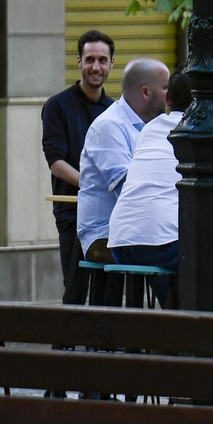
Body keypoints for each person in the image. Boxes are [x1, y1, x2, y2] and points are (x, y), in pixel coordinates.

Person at [105, 72, 193, 305]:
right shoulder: (200, 130)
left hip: (120, 242)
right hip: (161, 244)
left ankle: (173, 327)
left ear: (167, 100)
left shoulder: (150, 128)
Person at [76, 58, 170, 273]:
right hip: (105, 237)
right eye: (166, 89)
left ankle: (178, 306)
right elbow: (129, 193)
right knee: (182, 253)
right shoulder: (109, 126)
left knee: (191, 247)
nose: (170, 97)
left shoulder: (156, 126)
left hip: (142, 231)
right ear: (146, 92)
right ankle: (178, 307)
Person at [42, 31, 115, 304]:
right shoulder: (57, 106)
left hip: (108, 217)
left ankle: (102, 346)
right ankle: (68, 345)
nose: (96, 67)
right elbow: (56, 163)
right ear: (79, 61)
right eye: (90, 59)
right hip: (71, 212)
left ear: (111, 64)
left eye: (103, 60)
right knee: (74, 288)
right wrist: (95, 186)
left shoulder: (115, 109)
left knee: (106, 289)